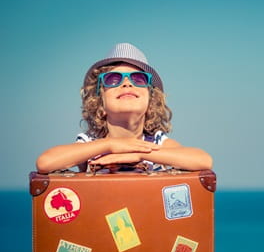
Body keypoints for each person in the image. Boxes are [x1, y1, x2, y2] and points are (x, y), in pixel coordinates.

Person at [36, 43, 213, 173]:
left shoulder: (156, 142)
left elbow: (202, 160)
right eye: (113, 79)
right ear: (99, 103)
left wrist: (139, 154)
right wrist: (111, 144)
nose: (127, 83)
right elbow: (45, 162)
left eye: (138, 79)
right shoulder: (91, 142)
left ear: (151, 101)